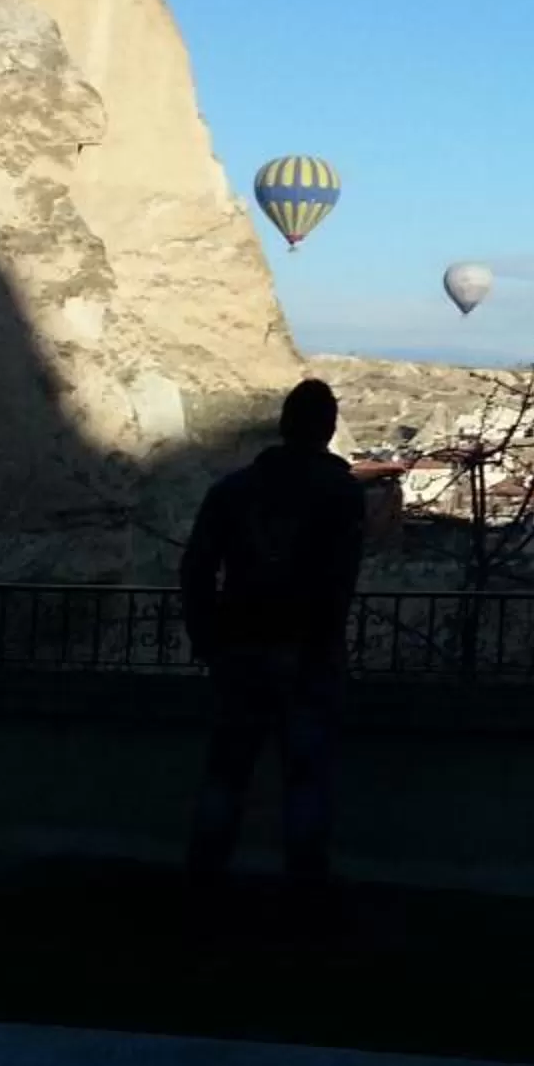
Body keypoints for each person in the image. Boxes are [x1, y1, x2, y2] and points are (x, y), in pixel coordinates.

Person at [179, 378, 368, 898]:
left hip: (239, 646)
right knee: (306, 777)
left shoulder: (233, 491)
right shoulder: (341, 495)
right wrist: (326, 642)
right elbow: (340, 582)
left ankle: (203, 880)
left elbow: (196, 567)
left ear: (284, 424)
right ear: (329, 429)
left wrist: (206, 635)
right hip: (308, 652)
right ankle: (305, 887)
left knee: (227, 772)